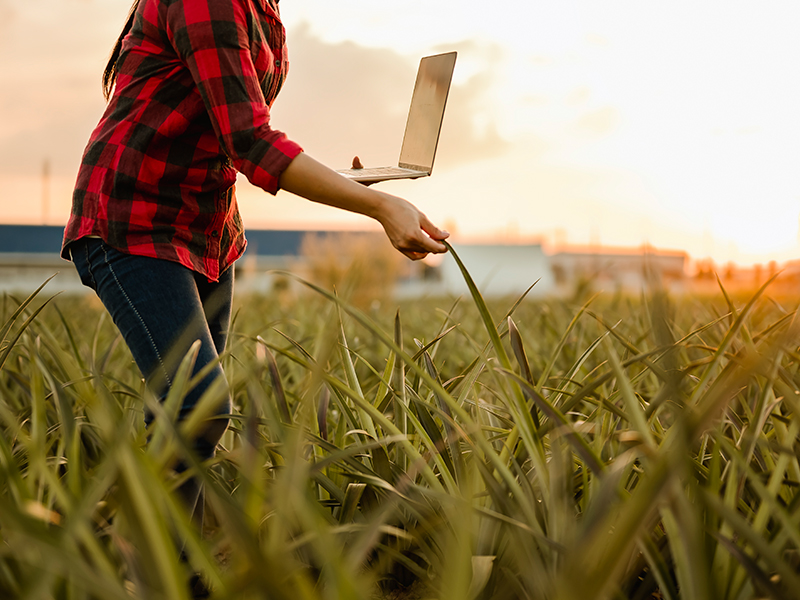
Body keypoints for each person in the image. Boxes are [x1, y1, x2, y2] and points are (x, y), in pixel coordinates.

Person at [60, 0, 449, 589]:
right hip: (132, 219)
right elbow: (249, 141)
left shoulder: (262, 8)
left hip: (203, 227)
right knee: (198, 405)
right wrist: (374, 206)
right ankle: (124, 565)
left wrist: (355, 184)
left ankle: (169, 575)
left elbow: (238, 125)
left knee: (188, 421)